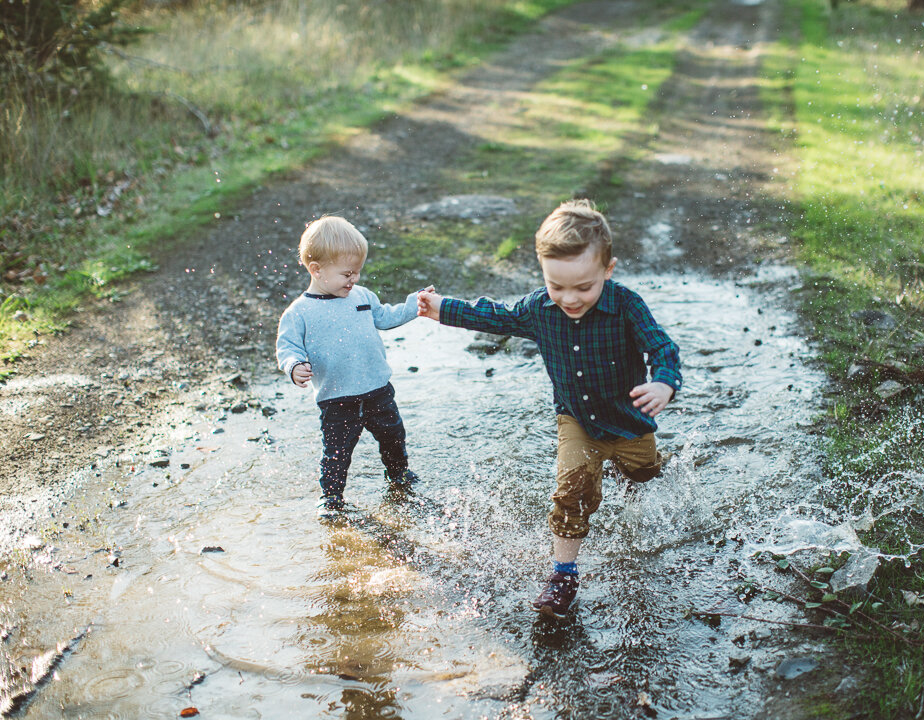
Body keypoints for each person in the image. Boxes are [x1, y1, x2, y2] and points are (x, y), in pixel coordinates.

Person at [417, 199, 682, 618]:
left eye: (584, 287)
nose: (569, 299)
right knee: (572, 489)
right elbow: (496, 316)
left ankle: (630, 470)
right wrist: (442, 308)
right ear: (544, 273)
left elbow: (662, 347)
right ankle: (563, 574)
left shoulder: (627, 305)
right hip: (576, 419)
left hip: (631, 420)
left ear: (607, 270)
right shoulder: (540, 308)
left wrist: (664, 382)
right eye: (557, 286)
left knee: (644, 475)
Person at [276, 215, 422, 513]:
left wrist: (413, 305)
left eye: (356, 272)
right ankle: (331, 497)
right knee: (337, 452)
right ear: (316, 270)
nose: (353, 279)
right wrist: (294, 366)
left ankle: (398, 474)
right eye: (346, 274)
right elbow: (287, 347)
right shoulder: (299, 313)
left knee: (393, 436)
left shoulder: (362, 296)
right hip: (336, 397)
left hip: (377, 388)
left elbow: (385, 316)